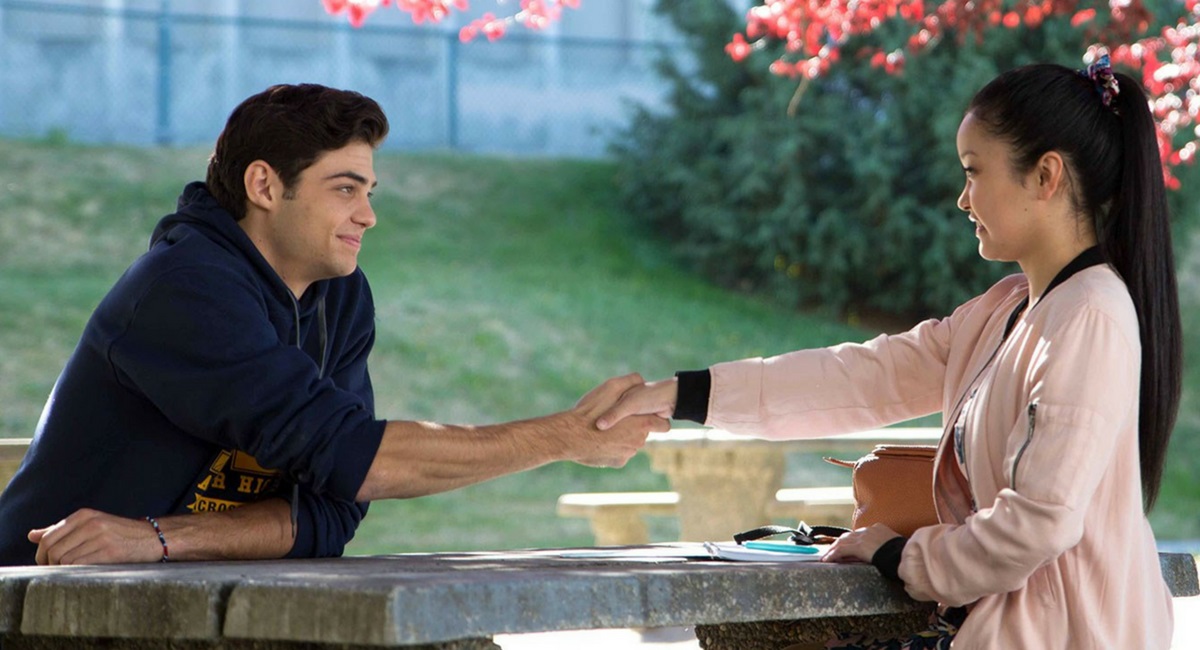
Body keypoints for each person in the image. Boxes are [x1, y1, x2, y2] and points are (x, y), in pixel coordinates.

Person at [597, 55, 1180, 649]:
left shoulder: (1088, 316)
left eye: (974, 172)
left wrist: (901, 555)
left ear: (1045, 176)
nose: (963, 199)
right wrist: (684, 394)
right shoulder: (1005, 310)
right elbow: (859, 378)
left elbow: (1037, 525)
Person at [0, 83, 666, 566]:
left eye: (368, 192)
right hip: (40, 595)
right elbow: (354, 459)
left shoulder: (340, 297)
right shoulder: (183, 288)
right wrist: (560, 436)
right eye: (345, 188)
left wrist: (160, 538)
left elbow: (333, 507)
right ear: (265, 187)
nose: (367, 214)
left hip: (189, 593)